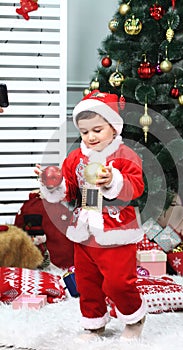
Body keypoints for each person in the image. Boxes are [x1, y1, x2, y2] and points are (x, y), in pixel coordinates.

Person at [35, 90, 147, 341]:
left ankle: (134, 316)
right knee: (87, 283)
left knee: (118, 282)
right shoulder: (76, 157)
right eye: (85, 132)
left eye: (97, 130)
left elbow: (135, 187)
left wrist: (113, 180)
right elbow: (69, 189)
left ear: (114, 128)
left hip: (116, 230)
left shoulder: (125, 155)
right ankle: (94, 324)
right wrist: (52, 184)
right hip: (85, 229)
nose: (91, 136)